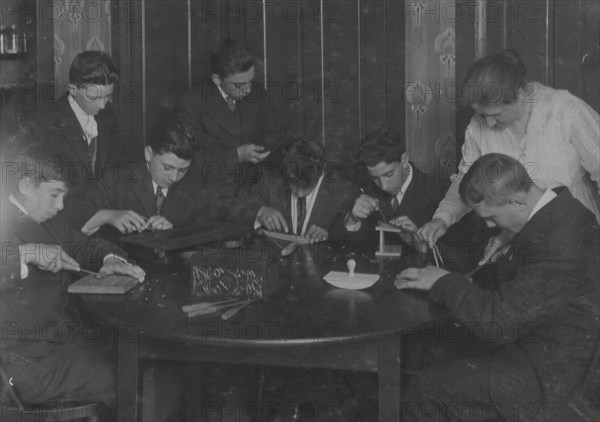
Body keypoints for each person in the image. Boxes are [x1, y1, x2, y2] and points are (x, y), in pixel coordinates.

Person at [396, 153, 599, 421]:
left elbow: (499, 323)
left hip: (555, 374)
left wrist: (443, 281)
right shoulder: (561, 212)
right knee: (432, 353)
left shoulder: (561, 241)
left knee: (424, 389)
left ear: (517, 201)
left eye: (491, 217)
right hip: (543, 347)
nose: (491, 227)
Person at [418, 49, 600, 263]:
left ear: (519, 96)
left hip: (578, 235)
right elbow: (468, 184)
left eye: (495, 115)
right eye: (482, 115)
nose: (488, 124)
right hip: (521, 239)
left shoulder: (563, 110)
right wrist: (442, 219)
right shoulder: (478, 127)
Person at [0, 143, 145, 410]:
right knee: (127, 379)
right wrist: (27, 252)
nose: (61, 205)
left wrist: (111, 259)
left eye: (64, 195)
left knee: (135, 368)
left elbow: (87, 246)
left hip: (54, 346)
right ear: (25, 186)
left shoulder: (47, 220)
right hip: (17, 364)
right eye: (54, 194)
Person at [62, 118, 219, 240]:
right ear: (149, 154)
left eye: (183, 170)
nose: (174, 177)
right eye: (167, 167)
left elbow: (205, 236)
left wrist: (175, 234)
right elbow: (70, 213)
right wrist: (108, 216)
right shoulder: (117, 180)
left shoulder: (195, 189)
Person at [177, 38, 282, 196]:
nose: (248, 90)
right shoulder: (191, 103)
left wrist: (262, 150)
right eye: (239, 85)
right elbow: (191, 162)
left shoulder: (257, 93)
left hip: (257, 187)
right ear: (217, 79)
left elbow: (274, 133)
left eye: (250, 81)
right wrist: (238, 155)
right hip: (214, 194)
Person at [13, 50, 120, 201]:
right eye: (94, 97)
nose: (102, 105)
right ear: (73, 89)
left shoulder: (109, 116)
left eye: (108, 96)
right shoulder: (42, 123)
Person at [227, 138, 359, 243]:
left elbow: (359, 238)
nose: (300, 193)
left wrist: (329, 236)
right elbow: (231, 209)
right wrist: (260, 212)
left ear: (321, 171)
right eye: (294, 185)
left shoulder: (343, 189)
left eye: (307, 186)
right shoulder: (270, 180)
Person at [342, 128, 449, 248]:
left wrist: (419, 244)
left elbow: (451, 261)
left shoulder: (437, 194)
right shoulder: (363, 187)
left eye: (389, 175)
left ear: (404, 159)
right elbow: (342, 246)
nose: (384, 186)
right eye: (375, 178)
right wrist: (353, 219)